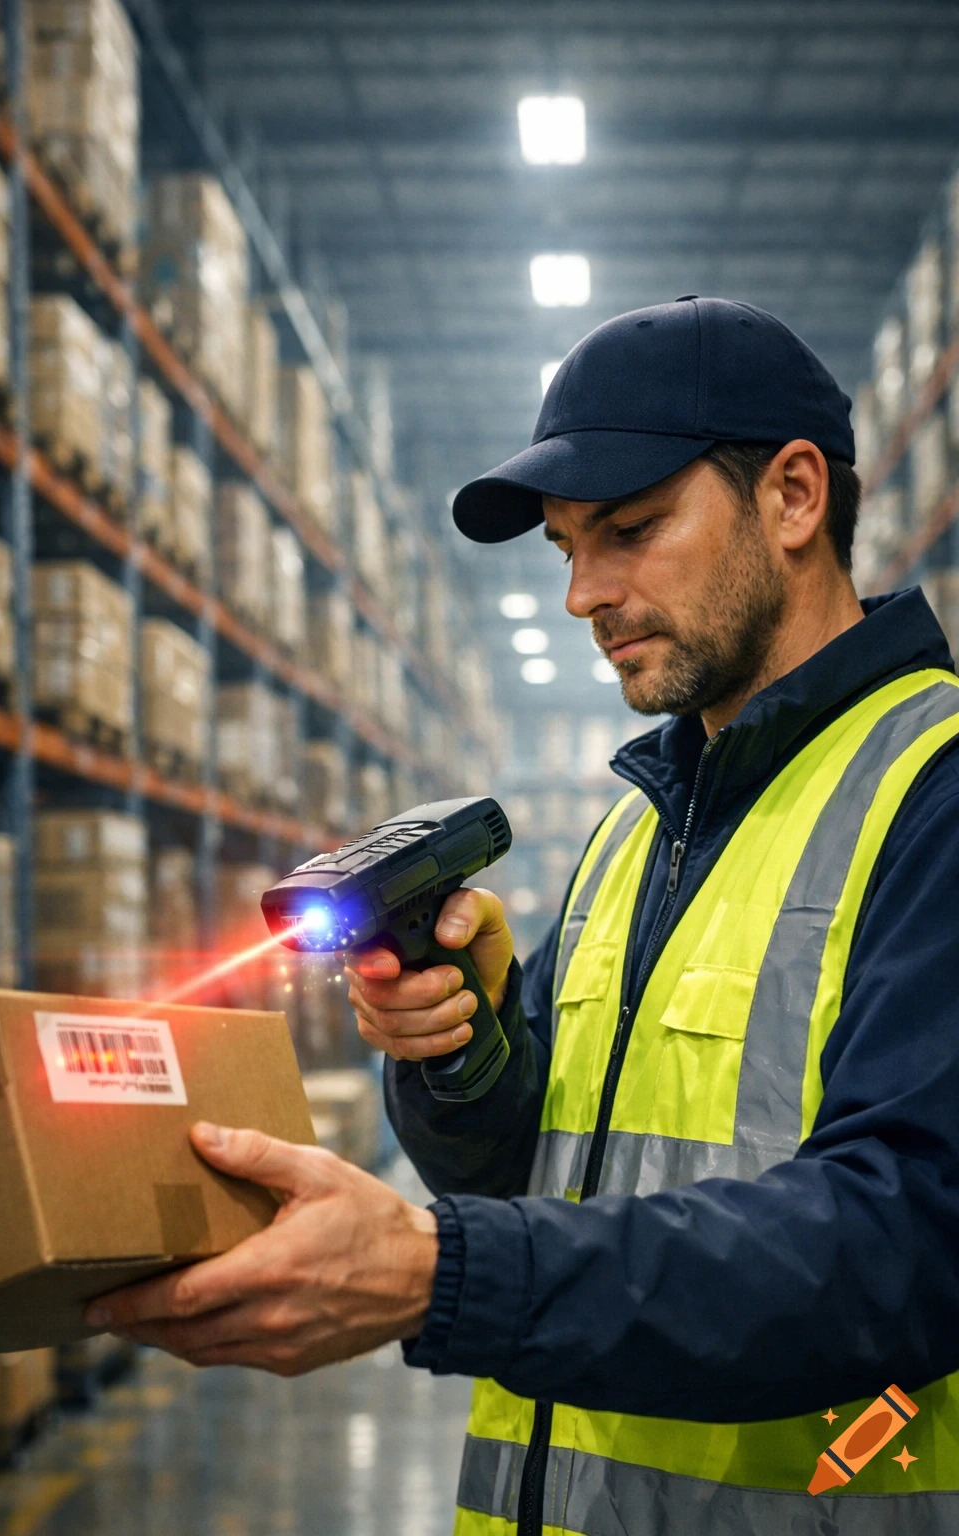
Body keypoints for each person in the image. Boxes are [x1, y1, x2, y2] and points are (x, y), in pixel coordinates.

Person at [90, 298, 959, 1535]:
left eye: (631, 529)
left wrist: (440, 1274)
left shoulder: (932, 793)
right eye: (563, 547)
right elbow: (537, 1168)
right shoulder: (639, 828)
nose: (581, 595)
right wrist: (459, 1056)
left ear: (794, 498)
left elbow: (908, 1241)